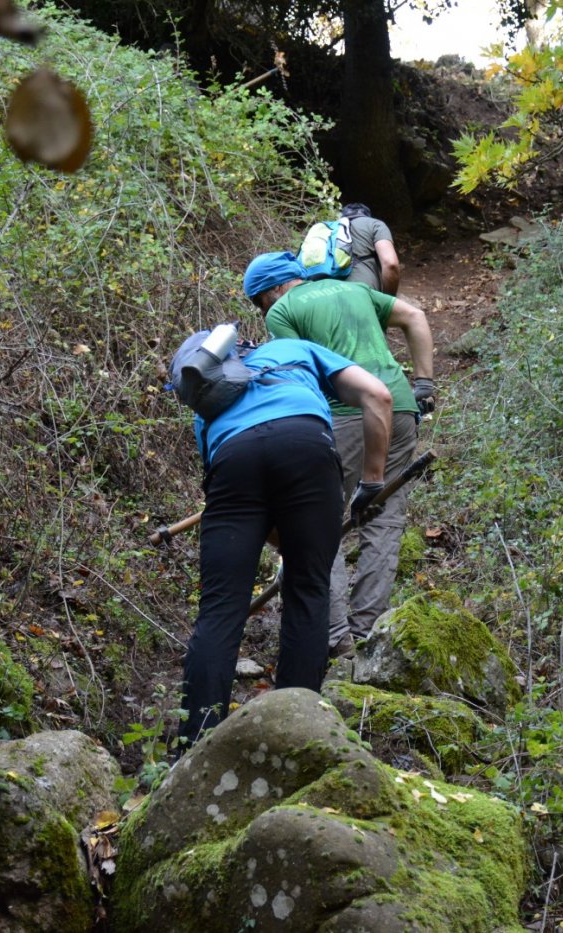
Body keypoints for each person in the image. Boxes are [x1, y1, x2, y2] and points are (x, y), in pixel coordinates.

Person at [169, 328, 392, 746]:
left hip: (232, 459)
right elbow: (378, 396)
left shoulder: (210, 410)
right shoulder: (297, 349)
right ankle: (294, 736)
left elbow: (247, 511)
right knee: (309, 592)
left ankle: (194, 745)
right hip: (308, 448)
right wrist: (372, 482)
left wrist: (283, 540)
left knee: (219, 610)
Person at [242, 251, 435, 658]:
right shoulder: (357, 290)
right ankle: (367, 632)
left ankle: (333, 637)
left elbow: (298, 371)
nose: (264, 311)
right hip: (399, 408)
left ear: (274, 289)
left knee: (314, 521)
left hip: (346, 415)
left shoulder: (283, 310)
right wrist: (424, 383)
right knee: (383, 518)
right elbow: (416, 317)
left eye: (260, 301)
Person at [340, 203, 401, 296]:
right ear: (367, 215)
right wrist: (389, 300)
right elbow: (390, 264)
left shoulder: (329, 228)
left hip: (323, 294)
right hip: (361, 294)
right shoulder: (374, 224)